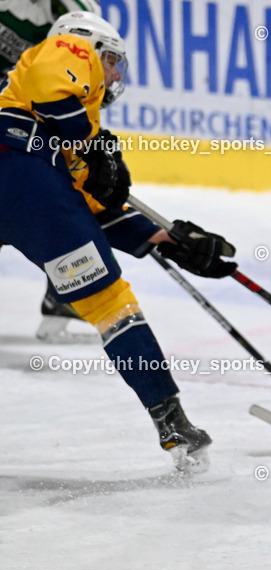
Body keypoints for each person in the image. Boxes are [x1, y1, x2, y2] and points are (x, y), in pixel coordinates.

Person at [0, 12, 237, 472]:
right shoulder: (66, 52)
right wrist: (96, 145)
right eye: (112, 61)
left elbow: (84, 212)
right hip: (18, 173)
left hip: (30, 188)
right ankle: (171, 420)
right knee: (111, 305)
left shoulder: (67, 135)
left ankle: (173, 423)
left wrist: (163, 239)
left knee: (105, 296)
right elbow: (54, 87)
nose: (112, 74)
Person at [0, 0, 102, 341]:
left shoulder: (75, 9)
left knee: (65, 195)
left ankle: (63, 294)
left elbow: (82, 74)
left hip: (23, 113)